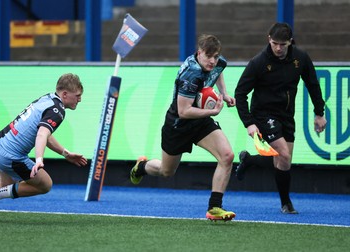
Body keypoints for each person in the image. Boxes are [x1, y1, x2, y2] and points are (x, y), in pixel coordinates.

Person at [0, 73, 88, 222]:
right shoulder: (58, 110)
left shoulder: (47, 98)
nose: (80, 99)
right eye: (78, 95)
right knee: (45, 184)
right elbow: (42, 134)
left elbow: (44, 132)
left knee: (6, 186)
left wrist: (65, 153)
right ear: (65, 94)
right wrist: (39, 159)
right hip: (10, 155)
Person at [130, 34, 236, 221]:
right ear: (199, 52)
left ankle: (214, 207)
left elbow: (218, 70)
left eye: (216, 56)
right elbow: (184, 111)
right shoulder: (191, 74)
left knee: (227, 156)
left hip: (200, 122)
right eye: (208, 56)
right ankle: (141, 167)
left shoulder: (217, 62)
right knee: (166, 172)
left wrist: (224, 93)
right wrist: (213, 112)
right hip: (178, 125)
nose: (213, 61)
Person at [234, 22, 327, 214]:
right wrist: (249, 123)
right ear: (269, 39)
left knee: (283, 161)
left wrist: (319, 113)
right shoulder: (258, 62)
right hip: (263, 115)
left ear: (290, 42)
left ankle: (249, 161)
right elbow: (240, 93)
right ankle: (286, 204)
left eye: (282, 44)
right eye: (274, 43)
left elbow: (312, 84)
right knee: (283, 155)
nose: (278, 48)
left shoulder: (300, 58)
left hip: (286, 116)